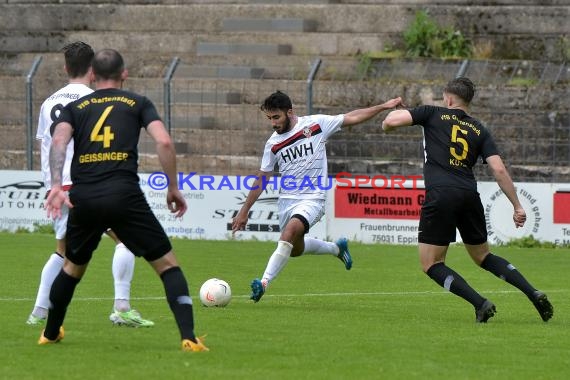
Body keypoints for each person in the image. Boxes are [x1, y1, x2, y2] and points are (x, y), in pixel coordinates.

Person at [40, 48, 208, 352]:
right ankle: (189, 338)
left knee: (72, 268)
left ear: (93, 73)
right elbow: (164, 142)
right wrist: (173, 186)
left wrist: (55, 185)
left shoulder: (76, 107)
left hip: (84, 197)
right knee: (168, 265)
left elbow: (59, 141)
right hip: (124, 194)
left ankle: (49, 333)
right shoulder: (137, 102)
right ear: (124, 74)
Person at [381, 77, 553, 323]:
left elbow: (390, 122)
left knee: (431, 264)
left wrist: (391, 120)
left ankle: (480, 303)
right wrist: (517, 206)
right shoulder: (479, 129)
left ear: (448, 99)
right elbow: (499, 170)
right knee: (483, 256)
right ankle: (532, 292)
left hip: (441, 193)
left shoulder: (431, 112)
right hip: (469, 194)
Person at [232, 90, 403, 302]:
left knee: (289, 234)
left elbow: (353, 116)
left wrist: (383, 106)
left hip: (313, 198)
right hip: (287, 202)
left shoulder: (316, 125)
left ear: (290, 112)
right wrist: (244, 210)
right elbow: (262, 178)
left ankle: (263, 283)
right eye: (269, 118)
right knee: (294, 249)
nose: (273, 123)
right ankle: (336, 248)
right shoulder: (273, 144)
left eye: (276, 117)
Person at [28, 41, 153, 328]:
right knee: (127, 241)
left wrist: (52, 187)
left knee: (63, 251)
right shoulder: (95, 101)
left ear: (65, 67)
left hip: (60, 189)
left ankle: (38, 313)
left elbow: (47, 146)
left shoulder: (49, 102)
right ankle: (121, 307)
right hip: (91, 184)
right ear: (94, 70)